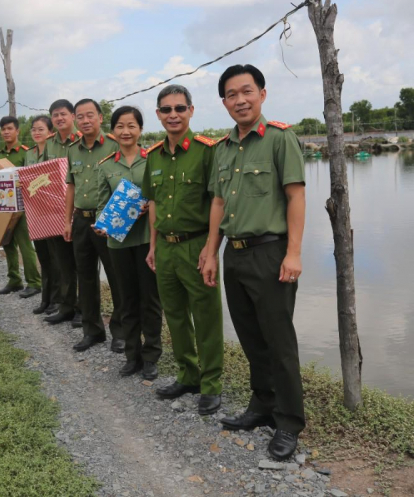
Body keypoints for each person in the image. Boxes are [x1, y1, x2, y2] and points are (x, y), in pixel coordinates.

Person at [202, 64, 306, 460]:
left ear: (262, 93)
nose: (240, 100)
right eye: (232, 94)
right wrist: (211, 251)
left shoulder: (280, 139)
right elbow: (217, 202)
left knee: (279, 342)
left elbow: (295, 197)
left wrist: (293, 252)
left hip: (271, 252)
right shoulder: (223, 149)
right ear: (224, 102)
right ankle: (262, 406)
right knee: (250, 337)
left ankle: (289, 422)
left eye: (247, 91)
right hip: (236, 254)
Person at [141, 84, 224, 416]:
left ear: (191, 111)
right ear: (158, 114)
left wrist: (211, 249)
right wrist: (152, 247)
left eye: (179, 108)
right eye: (166, 109)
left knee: (206, 318)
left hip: (196, 246)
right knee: (174, 315)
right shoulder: (154, 156)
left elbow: (218, 201)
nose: (172, 115)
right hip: (165, 248)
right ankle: (187, 374)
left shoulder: (207, 152)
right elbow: (153, 205)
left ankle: (211, 384)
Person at [94, 106, 162, 380]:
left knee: (151, 300)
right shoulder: (106, 166)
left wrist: (150, 205)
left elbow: (162, 198)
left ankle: (152, 356)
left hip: (147, 240)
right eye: (120, 126)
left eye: (131, 125)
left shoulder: (154, 160)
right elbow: (101, 205)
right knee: (126, 301)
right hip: (118, 244)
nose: (126, 131)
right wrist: (101, 224)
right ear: (113, 131)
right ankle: (132, 356)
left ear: (140, 130)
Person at [63, 99, 124, 353]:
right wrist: (67, 221)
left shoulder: (115, 145)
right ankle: (92, 331)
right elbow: (71, 187)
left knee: (116, 276)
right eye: (80, 116)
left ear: (100, 117)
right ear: (76, 120)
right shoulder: (73, 149)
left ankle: (120, 332)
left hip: (108, 221)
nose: (85, 120)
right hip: (80, 220)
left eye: (90, 115)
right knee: (85, 277)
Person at [0, 116, 42, 298]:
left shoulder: (26, 153)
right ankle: (14, 280)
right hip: (3, 205)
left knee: (25, 245)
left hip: (22, 207)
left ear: (17, 131)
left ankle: (34, 282)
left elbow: (33, 178)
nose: (6, 132)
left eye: (9, 129)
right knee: (7, 243)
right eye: (3, 129)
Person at [44, 99, 83, 327]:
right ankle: (66, 306)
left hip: (79, 209)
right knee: (63, 263)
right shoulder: (49, 144)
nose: (59, 118)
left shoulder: (84, 140)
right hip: (56, 211)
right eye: (55, 115)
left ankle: (83, 309)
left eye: (63, 114)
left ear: (73, 117)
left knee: (82, 263)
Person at [24, 115, 62, 314]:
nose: (37, 133)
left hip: (53, 210)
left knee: (56, 258)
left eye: (41, 129)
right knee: (43, 257)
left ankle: (57, 300)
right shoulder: (29, 154)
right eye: (34, 129)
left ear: (50, 132)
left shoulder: (55, 151)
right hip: (36, 210)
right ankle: (45, 299)